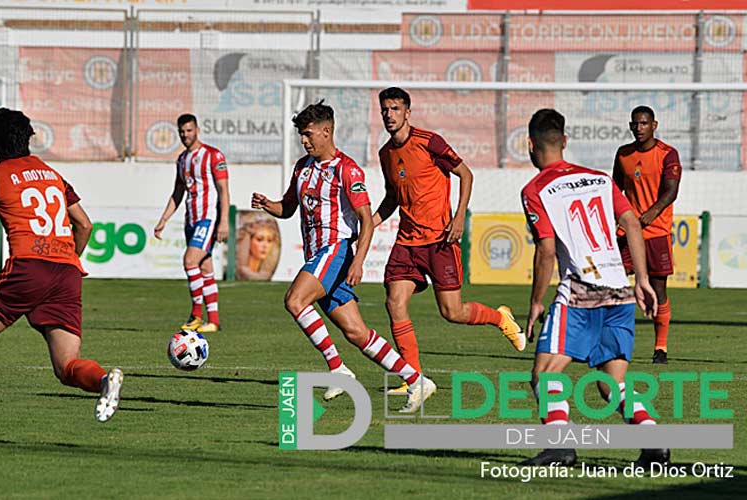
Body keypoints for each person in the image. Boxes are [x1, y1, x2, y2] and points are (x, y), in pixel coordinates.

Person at [0, 108, 123, 443]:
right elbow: (84, 224)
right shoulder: (52, 174)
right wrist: (67, 260)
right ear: (27, 138)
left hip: (29, 267)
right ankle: (104, 380)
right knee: (67, 366)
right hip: (67, 272)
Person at [252, 101, 436, 413]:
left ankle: (338, 369)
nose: (304, 141)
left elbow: (366, 220)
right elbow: (288, 208)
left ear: (327, 132)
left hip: (334, 250)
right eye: (301, 136)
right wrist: (268, 204)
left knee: (295, 301)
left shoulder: (347, 169)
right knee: (356, 332)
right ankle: (416, 380)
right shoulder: (302, 168)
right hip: (319, 255)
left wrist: (358, 261)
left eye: (308, 134)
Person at [519, 108, 666, 467]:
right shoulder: (599, 178)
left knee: (545, 373)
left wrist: (537, 301)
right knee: (610, 383)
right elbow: (632, 223)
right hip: (619, 289)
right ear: (565, 141)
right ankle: (653, 442)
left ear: (530, 145)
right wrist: (642, 280)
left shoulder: (535, 189)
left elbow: (547, 249)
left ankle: (560, 446)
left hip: (581, 291)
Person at [373, 87, 525, 395]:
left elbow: (465, 174)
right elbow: (392, 197)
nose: (389, 115)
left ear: (407, 112)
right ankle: (412, 378)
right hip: (407, 243)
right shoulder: (385, 153)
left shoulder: (430, 142)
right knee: (394, 302)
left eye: (395, 109)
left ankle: (500, 317)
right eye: (385, 110)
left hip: (439, 239)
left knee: (452, 312)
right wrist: (370, 224)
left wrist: (458, 218)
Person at [613, 106, 681, 364]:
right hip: (628, 231)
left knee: (658, 289)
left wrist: (653, 211)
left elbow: (671, 191)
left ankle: (660, 347)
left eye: (644, 123)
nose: (639, 128)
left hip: (657, 231)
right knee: (614, 284)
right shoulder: (623, 154)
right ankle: (611, 342)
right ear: (631, 126)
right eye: (635, 124)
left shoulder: (667, 154)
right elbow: (615, 187)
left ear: (654, 125)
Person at [154, 114, 231, 334]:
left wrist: (223, 221)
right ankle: (214, 321)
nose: (185, 135)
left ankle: (196, 314)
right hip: (191, 219)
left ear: (197, 130)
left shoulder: (213, 155)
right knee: (205, 267)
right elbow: (178, 193)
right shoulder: (181, 160)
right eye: (182, 132)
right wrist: (164, 219)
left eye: (189, 130)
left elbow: (224, 190)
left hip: (208, 218)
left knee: (190, 260)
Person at [235, 213, 280, 281]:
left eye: (269, 240)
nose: (265, 245)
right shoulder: (239, 270)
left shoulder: (267, 273)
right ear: (248, 241)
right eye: (259, 239)